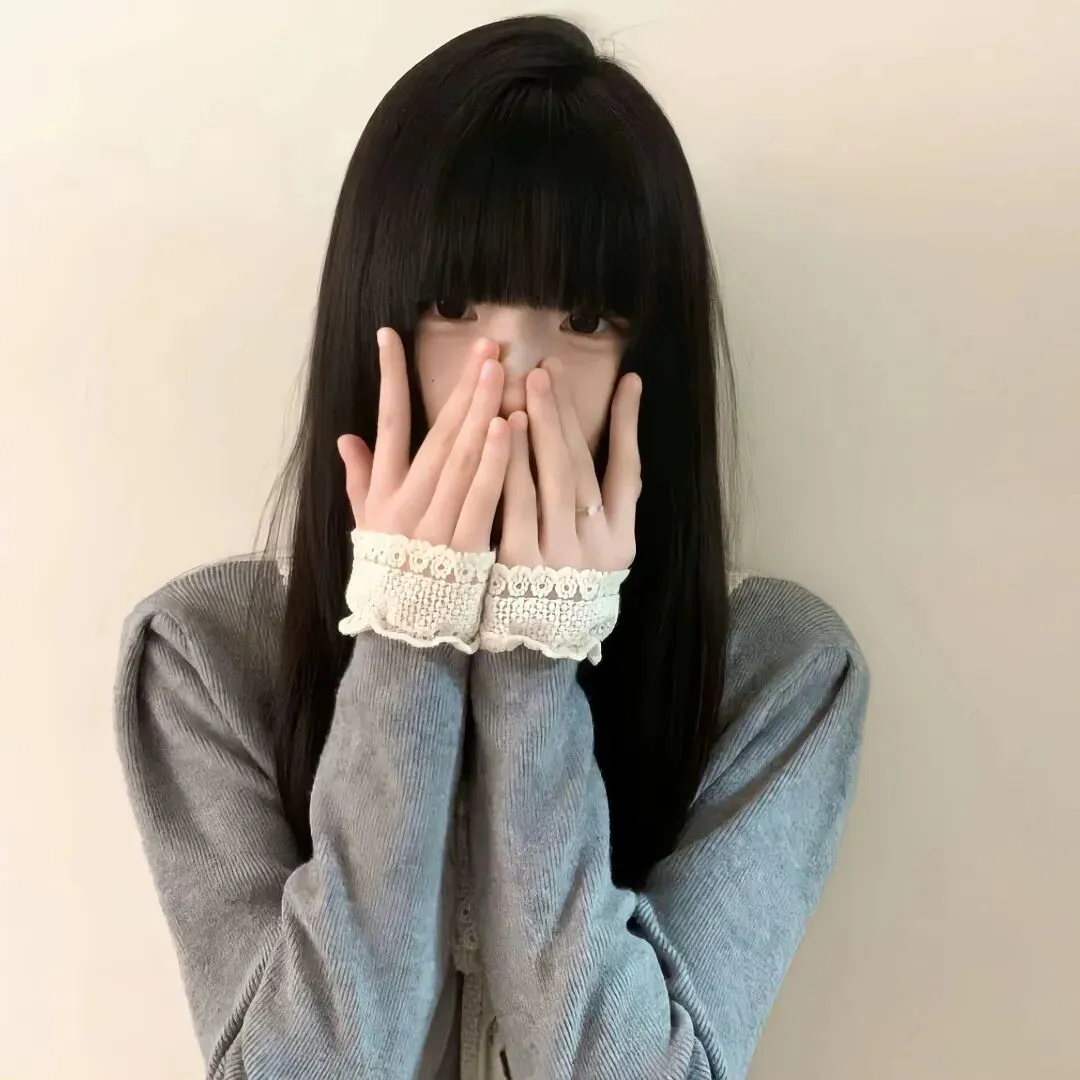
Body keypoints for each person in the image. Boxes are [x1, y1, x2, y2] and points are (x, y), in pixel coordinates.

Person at [113, 14, 869, 1080]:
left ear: (650, 361)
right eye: (455, 306)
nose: (509, 373)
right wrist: (407, 636)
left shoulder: (779, 673)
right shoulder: (203, 657)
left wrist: (534, 659)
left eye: (586, 317)